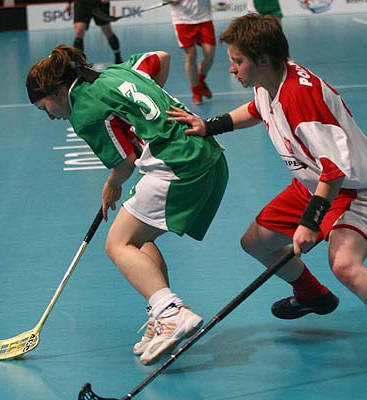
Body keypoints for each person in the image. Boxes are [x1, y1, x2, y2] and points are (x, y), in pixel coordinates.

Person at [167, 13, 367, 377]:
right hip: (311, 184)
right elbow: (256, 110)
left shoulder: (301, 98)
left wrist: (310, 223)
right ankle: (312, 295)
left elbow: (335, 172)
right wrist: (210, 126)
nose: (232, 69)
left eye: (237, 61)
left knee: (346, 266)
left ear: (263, 60)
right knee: (256, 242)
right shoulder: (270, 80)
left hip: (352, 189)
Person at [26, 45, 228, 365]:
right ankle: (160, 315)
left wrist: (111, 185)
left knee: (117, 243)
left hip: (177, 164)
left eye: (45, 107)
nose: (50, 116)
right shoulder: (118, 71)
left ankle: (170, 312)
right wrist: (149, 115)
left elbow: (125, 162)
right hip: (207, 153)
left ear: (59, 91)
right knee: (140, 238)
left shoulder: (84, 111)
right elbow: (161, 57)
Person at [168, 0, 216, 105]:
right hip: (182, 18)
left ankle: (200, 80)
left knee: (209, 54)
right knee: (190, 55)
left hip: (204, 17)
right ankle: (196, 92)